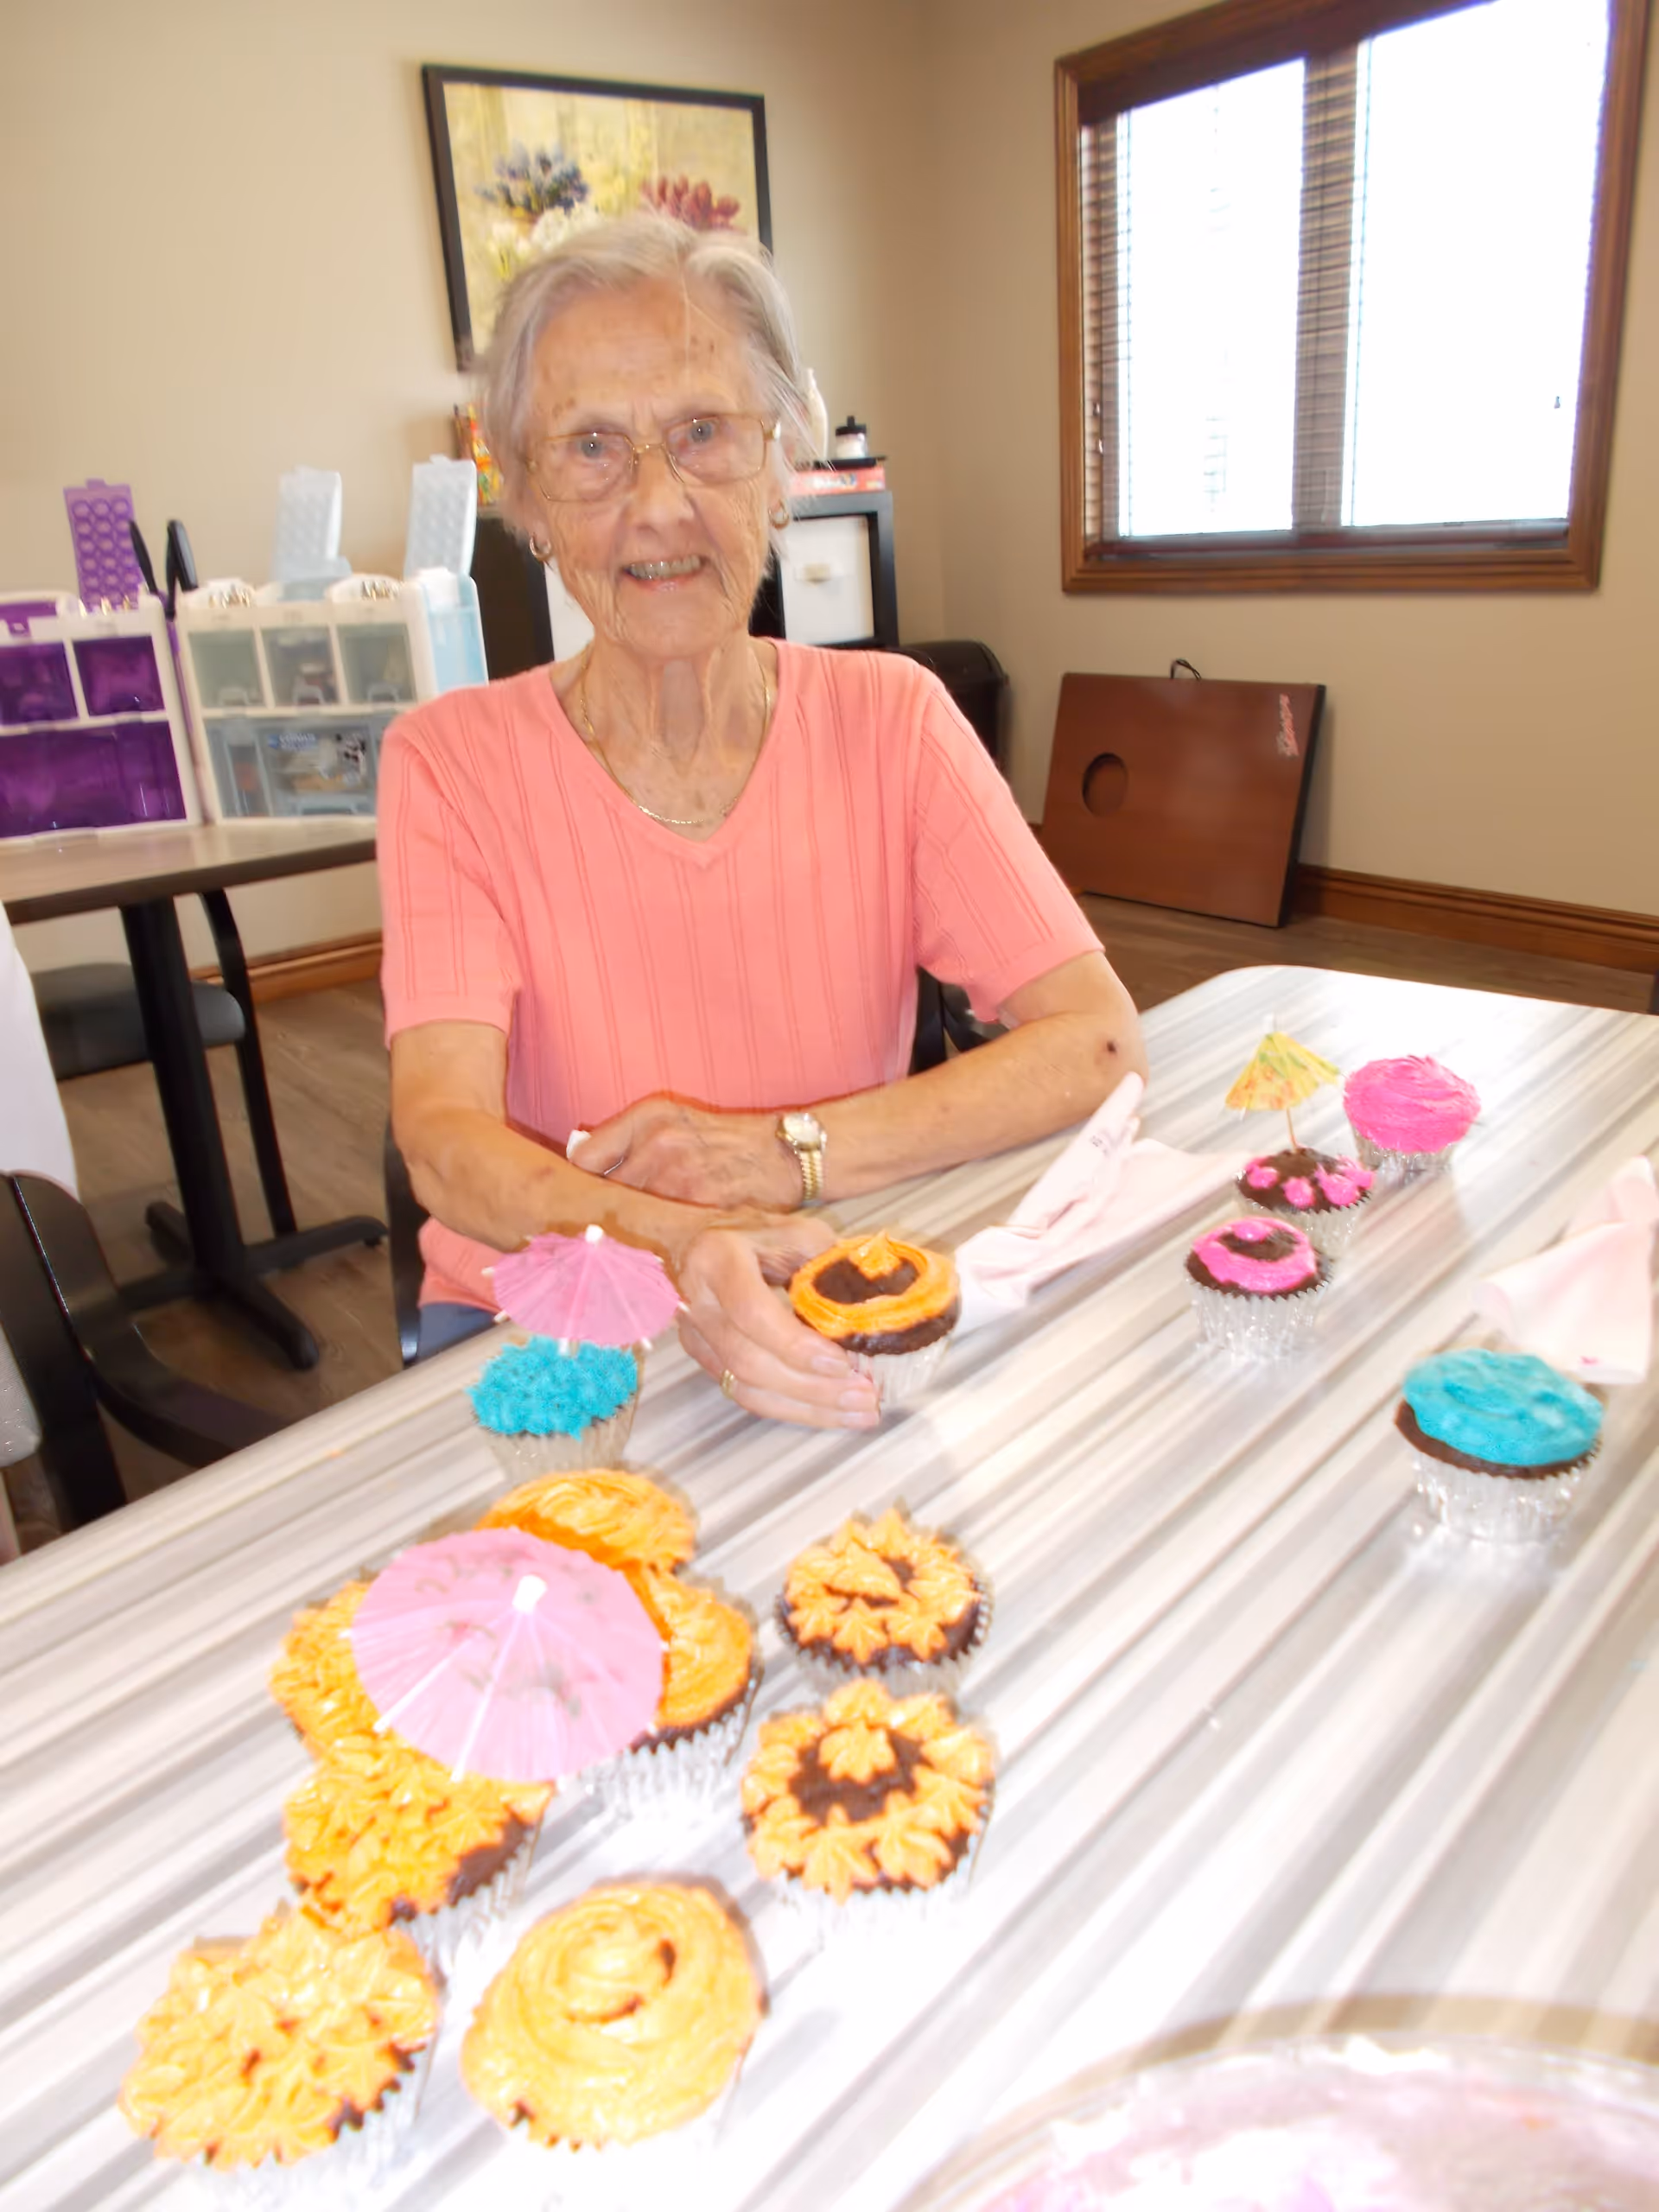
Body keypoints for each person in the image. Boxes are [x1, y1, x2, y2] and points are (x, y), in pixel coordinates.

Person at [381, 213, 1146, 1427]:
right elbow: (440, 1134)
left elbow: (1098, 1043)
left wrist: (786, 1155)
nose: (660, 505)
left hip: (834, 1301)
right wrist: (683, 1241)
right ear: (524, 499)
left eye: (703, 434)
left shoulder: (895, 720)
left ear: (783, 462)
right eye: (591, 449)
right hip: (557, 1343)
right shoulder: (451, 764)